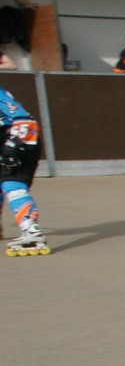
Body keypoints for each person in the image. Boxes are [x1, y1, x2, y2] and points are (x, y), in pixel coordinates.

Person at [1, 81, 49, 255]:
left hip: (21, 140)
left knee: (12, 182)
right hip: (7, 140)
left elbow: (25, 119)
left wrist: (12, 146)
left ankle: (31, 230)